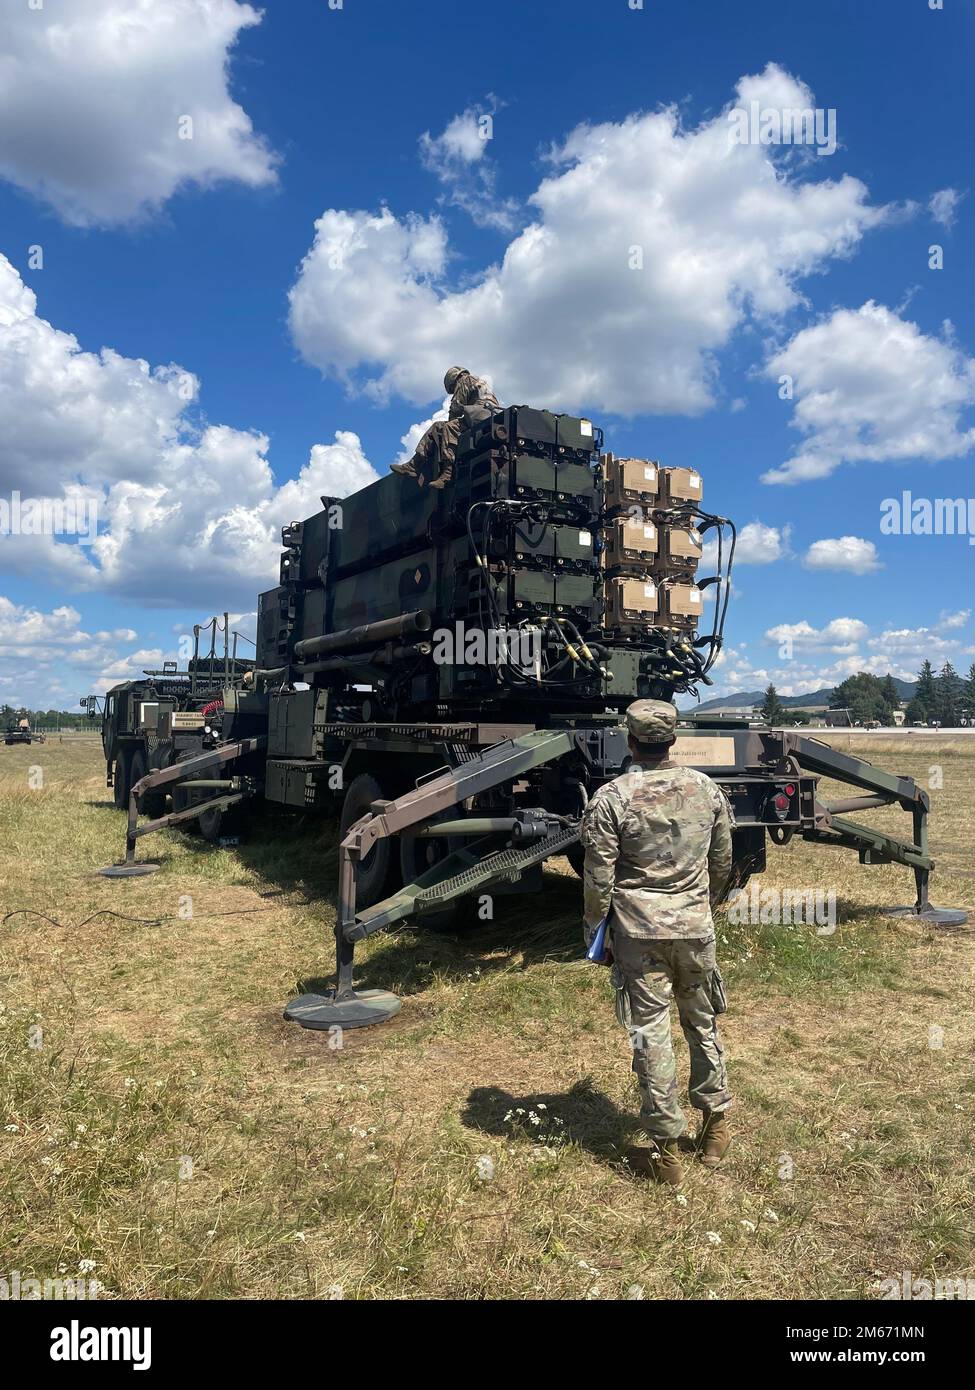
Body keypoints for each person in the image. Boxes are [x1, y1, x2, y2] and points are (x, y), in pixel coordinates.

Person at [580, 698, 733, 1185]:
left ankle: (666, 1151)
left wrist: (595, 930)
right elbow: (724, 862)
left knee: (650, 1032)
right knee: (702, 1023)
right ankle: (715, 1128)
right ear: (673, 740)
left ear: (630, 742)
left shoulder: (611, 798)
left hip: (638, 933)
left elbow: (597, 878)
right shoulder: (706, 789)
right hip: (694, 928)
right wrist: (706, 902)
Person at [391, 366, 501, 489]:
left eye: (452, 389)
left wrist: (448, 425)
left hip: (480, 414)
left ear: (453, 380)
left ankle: (447, 474)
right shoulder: (478, 380)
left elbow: (456, 407)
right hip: (485, 414)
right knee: (438, 426)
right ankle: (414, 464)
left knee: (449, 427)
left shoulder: (465, 380)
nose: (454, 390)